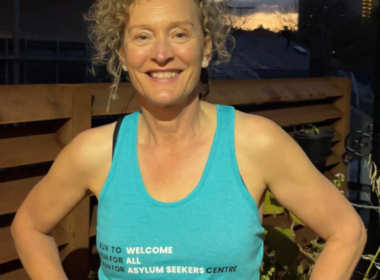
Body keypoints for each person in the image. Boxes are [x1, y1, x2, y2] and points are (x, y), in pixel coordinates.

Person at [11, 0, 366, 279]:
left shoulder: (255, 143)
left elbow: (346, 231)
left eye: (179, 34)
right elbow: (29, 227)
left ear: (206, 48)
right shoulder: (95, 152)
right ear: (122, 56)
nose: (161, 53)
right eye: (142, 36)